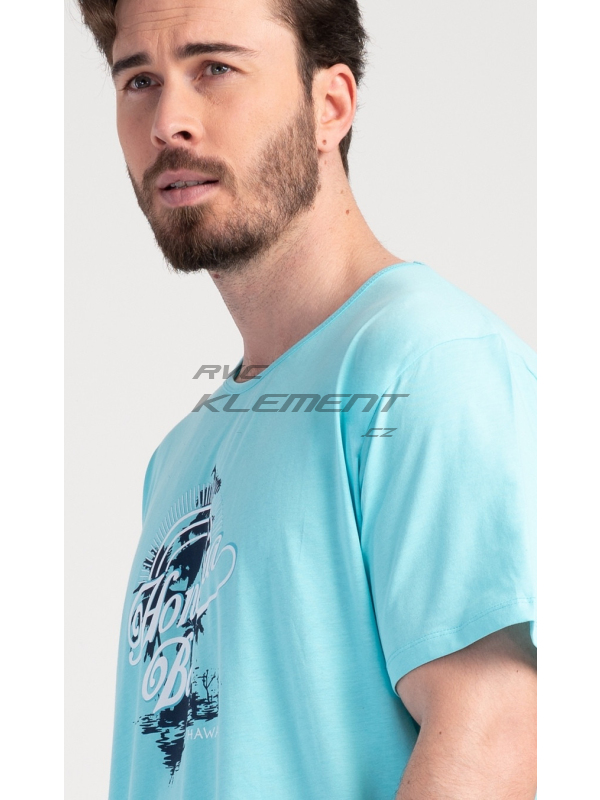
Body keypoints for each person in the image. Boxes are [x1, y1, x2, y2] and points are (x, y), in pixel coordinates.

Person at [77, 0, 537, 797]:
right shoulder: (181, 452)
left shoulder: (429, 364)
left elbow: (498, 732)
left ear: (330, 105)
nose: (167, 122)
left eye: (214, 68)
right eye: (139, 80)